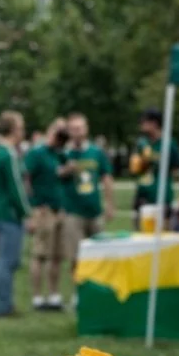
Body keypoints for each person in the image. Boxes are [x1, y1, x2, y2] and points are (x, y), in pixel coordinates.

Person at [61, 113, 114, 284]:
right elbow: (54, 175)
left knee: (99, 252)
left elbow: (106, 177)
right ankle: (79, 289)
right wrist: (66, 170)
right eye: (74, 129)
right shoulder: (64, 153)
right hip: (72, 210)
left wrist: (109, 203)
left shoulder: (96, 152)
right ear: (68, 131)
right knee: (76, 255)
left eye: (81, 128)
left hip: (94, 209)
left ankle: (97, 286)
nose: (78, 132)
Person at [0, 110, 31, 318]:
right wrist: (26, 212)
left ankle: (4, 303)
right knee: (7, 260)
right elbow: (16, 187)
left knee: (5, 260)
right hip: (9, 213)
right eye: (21, 127)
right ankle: (4, 305)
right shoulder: (8, 153)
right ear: (14, 129)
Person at [24, 118, 68, 309]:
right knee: (40, 254)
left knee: (56, 255)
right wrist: (31, 208)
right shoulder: (37, 153)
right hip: (43, 209)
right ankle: (37, 295)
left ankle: (53, 294)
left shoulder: (58, 154)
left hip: (59, 208)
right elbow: (26, 178)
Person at [129, 107, 179, 225]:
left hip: (162, 197)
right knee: (141, 232)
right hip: (142, 196)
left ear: (154, 123)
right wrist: (141, 162)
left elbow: (177, 168)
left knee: (162, 231)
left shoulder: (168, 143)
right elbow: (134, 170)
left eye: (144, 122)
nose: (141, 125)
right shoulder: (141, 143)